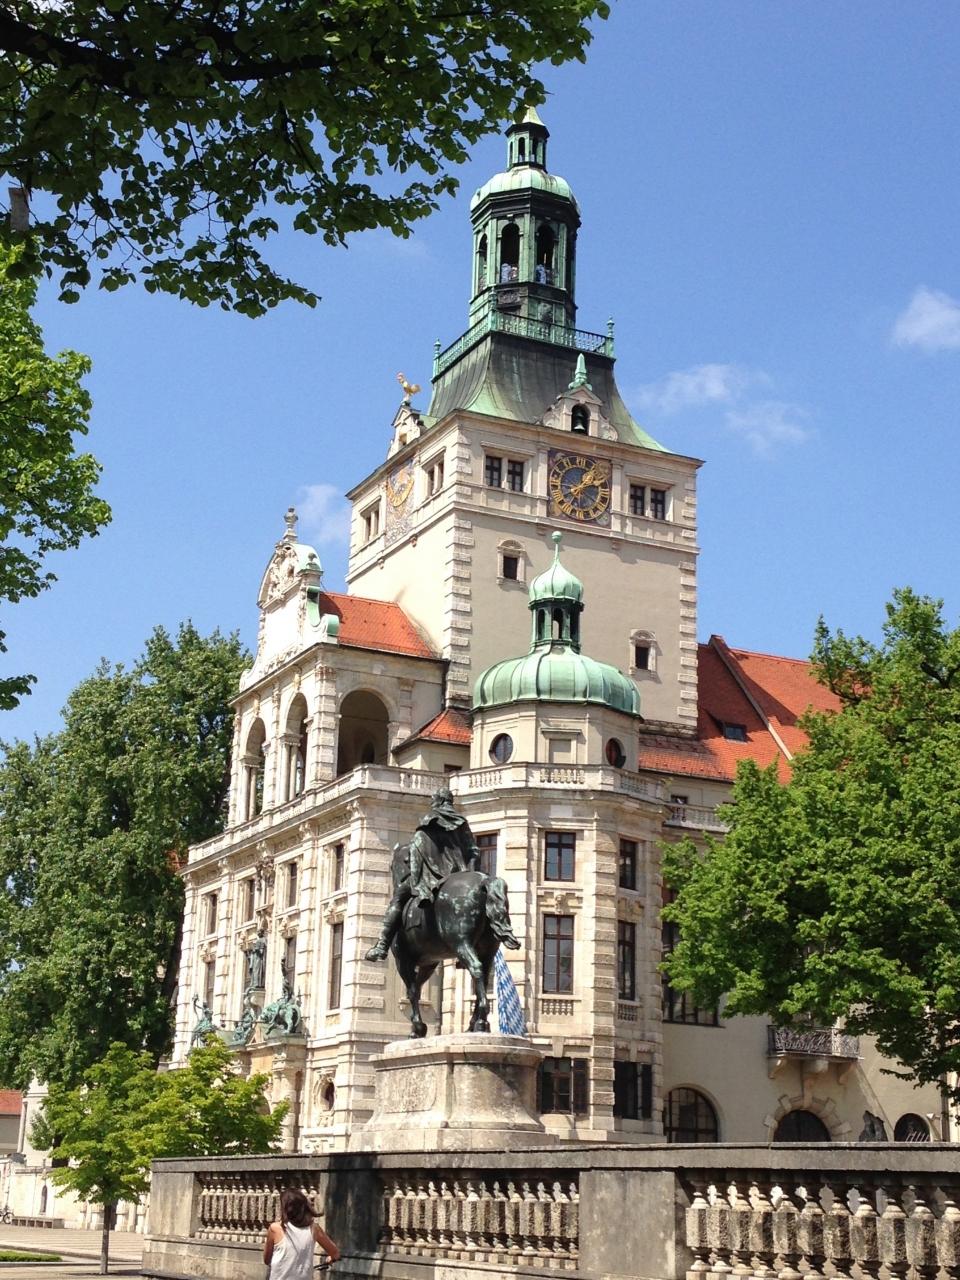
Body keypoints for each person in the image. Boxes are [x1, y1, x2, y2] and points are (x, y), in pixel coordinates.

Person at [365, 787, 480, 961]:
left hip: (432, 874)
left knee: (398, 899)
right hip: (460, 875)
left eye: (434, 800)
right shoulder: (462, 822)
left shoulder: (429, 821)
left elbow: (417, 852)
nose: (432, 803)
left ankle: (382, 945)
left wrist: (418, 876)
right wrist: (470, 873)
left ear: (440, 801)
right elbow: (474, 851)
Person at [263, 1188, 340, 1277]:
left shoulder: (275, 1228)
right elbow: (335, 1253)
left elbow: (267, 1260)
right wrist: (331, 1258)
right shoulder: (314, 1229)